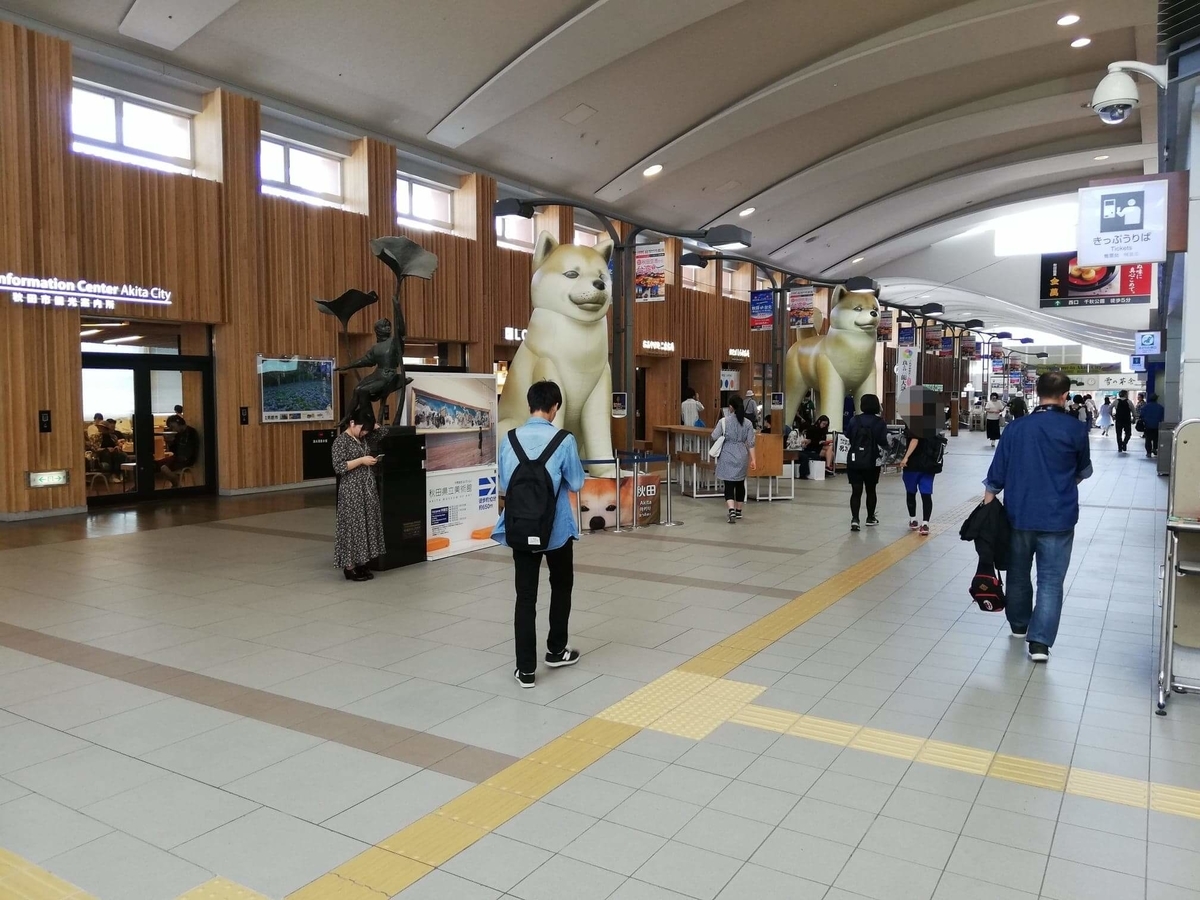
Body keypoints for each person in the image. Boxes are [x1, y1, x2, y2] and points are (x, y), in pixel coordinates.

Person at [983, 372, 1092, 662]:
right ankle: (1040, 644)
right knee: (1051, 581)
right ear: (1064, 395)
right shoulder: (1075, 429)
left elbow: (997, 475)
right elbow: (1082, 471)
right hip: (1059, 517)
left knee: (1017, 573)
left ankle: (1019, 625)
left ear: (1038, 392)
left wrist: (988, 507)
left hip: (1019, 514)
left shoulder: (1017, 429)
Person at [493, 381, 586, 688]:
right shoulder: (564, 440)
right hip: (556, 529)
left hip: (521, 527)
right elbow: (575, 482)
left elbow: (506, 483)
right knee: (561, 586)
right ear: (555, 407)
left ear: (529, 404)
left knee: (525, 596)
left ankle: (526, 670)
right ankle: (556, 650)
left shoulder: (510, 439)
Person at [331, 408, 385, 582]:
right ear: (352, 423)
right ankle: (349, 566)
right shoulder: (341, 442)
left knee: (365, 524)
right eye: (362, 429)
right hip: (351, 489)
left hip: (366, 488)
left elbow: (383, 432)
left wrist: (373, 424)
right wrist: (362, 460)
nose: (364, 433)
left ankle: (362, 561)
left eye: (366, 431)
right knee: (352, 526)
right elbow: (339, 467)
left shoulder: (363, 438)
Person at [899, 387, 942, 537]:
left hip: (914, 464)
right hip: (929, 464)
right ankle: (925, 523)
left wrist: (905, 458)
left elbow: (915, 440)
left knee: (911, 492)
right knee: (926, 493)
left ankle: (913, 520)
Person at [845, 394, 889, 531]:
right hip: (872, 461)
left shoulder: (854, 420)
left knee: (856, 491)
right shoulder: (880, 422)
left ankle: (855, 520)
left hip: (854, 460)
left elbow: (849, 436)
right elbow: (883, 441)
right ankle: (870, 517)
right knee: (871, 490)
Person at [713, 395, 757, 524]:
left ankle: (731, 509)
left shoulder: (724, 421)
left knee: (729, 484)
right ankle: (738, 511)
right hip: (742, 454)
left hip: (727, 453)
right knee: (740, 483)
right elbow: (751, 443)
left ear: (731, 407)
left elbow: (714, 436)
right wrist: (753, 459)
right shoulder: (748, 423)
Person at [160, 416, 200, 487]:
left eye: (173, 426)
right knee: (157, 464)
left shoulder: (190, 432)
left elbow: (188, 451)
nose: (173, 429)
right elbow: (175, 451)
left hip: (186, 459)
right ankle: (176, 483)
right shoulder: (178, 434)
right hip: (178, 457)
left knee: (164, 467)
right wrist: (170, 442)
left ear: (178, 422)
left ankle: (176, 484)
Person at [797, 415, 832, 479]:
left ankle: (827, 467)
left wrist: (822, 442)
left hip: (818, 446)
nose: (824, 426)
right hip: (813, 447)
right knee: (830, 452)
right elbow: (809, 441)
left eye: (825, 425)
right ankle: (827, 466)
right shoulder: (812, 429)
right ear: (819, 421)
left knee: (830, 449)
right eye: (823, 424)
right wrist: (819, 442)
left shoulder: (823, 430)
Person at [1141, 392, 1165, 458]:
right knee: (1156, 439)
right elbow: (1162, 417)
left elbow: (1142, 415)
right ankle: (1154, 449)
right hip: (1157, 425)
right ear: (1156, 399)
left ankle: (1148, 452)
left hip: (1148, 425)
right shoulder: (1160, 407)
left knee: (1148, 439)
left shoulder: (1145, 407)